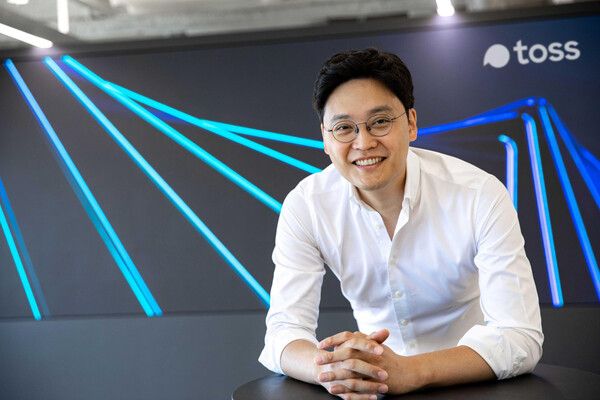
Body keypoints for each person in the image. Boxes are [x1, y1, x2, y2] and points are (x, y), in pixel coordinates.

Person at [259, 48, 543, 399]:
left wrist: (411, 371)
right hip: (375, 389)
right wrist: (334, 370)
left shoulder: (479, 194)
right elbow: (283, 332)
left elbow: (519, 336)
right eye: (344, 128)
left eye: (380, 122)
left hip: (471, 383)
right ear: (326, 139)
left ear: (411, 124)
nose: (363, 143)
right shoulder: (307, 205)